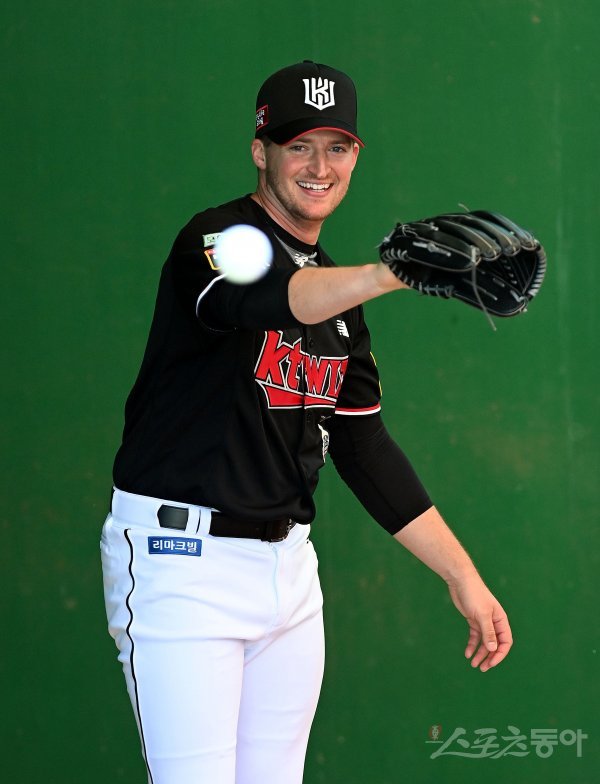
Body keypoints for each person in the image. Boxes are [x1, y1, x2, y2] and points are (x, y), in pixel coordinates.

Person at [100, 60, 513, 784]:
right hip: (182, 563)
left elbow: (364, 447)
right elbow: (271, 298)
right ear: (261, 151)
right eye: (299, 146)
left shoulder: (340, 306)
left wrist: (463, 576)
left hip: (289, 576)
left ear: (355, 156)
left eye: (337, 147)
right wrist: (390, 274)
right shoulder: (218, 238)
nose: (320, 167)